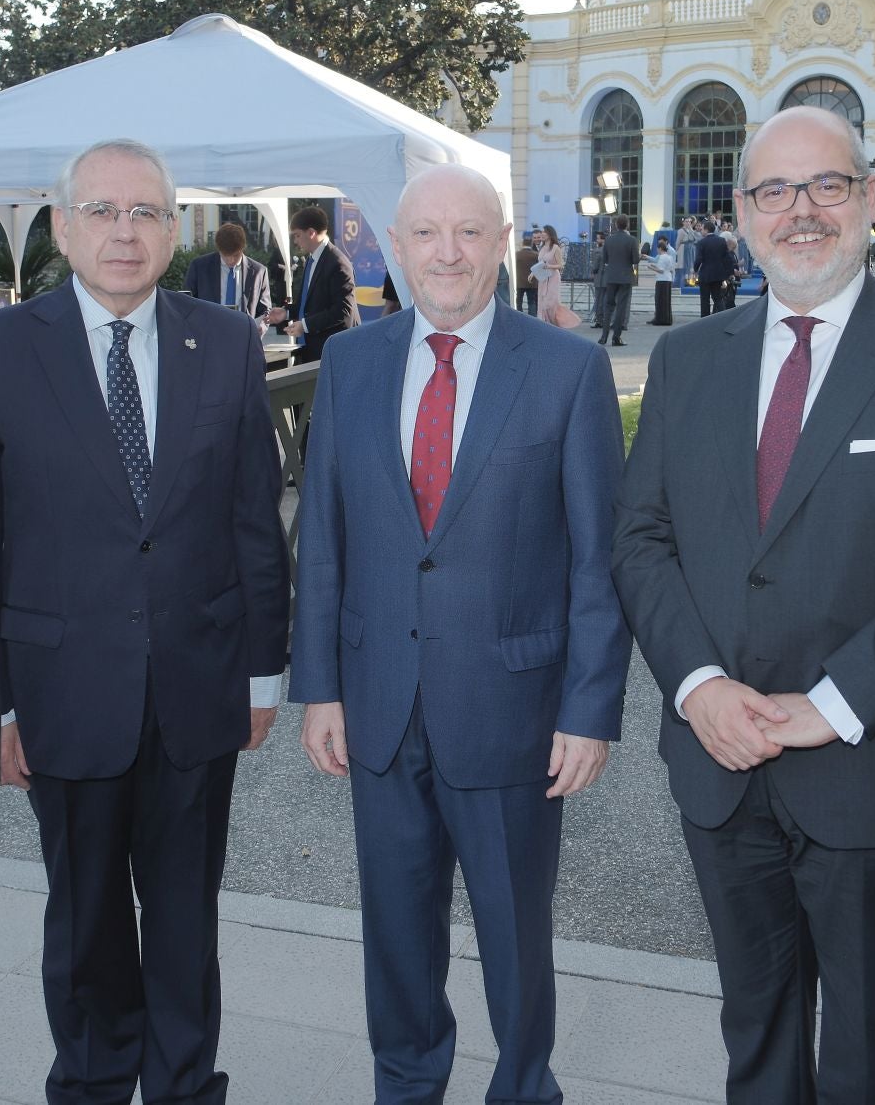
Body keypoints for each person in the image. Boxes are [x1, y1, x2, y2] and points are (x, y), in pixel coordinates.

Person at [611, 105, 875, 1105]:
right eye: (774, 191)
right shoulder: (686, 361)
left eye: (827, 185)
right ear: (742, 213)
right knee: (757, 1033)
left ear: (870, 197)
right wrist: (699, 687)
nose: (801, 211)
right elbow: (642, 540)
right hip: (720, 765)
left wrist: (834, 704)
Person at [0, 139, 291, 1105]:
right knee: (87, 921)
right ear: (62, 228)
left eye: (145, 212)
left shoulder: (223, 341)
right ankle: (94, 1083)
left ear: (174, 229)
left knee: (186, 918)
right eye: (101, 211)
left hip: (198, 685)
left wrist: (263, 673)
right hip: (62, 692)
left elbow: (254, 518)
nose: (123, 231)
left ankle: (185, 1085)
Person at [292, 164, 630, 1104]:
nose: (448, 253)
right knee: (397, 937)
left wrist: (589, 710)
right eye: (427, 234)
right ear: (396, 249)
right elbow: (323, 536)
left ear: (504, 245)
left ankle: (524, 1088)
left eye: (470, 232)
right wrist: (319, 687)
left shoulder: (567, 369)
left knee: (516, 938)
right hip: (379, 706)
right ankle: (406, 1087)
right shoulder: (351, 362)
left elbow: (598, 560)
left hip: (513, 711)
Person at [286, 204, 361, 363]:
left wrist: (305, 325)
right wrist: (285, 313)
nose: (295, 241)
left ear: (311, 233)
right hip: (313, 349)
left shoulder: (338, 262)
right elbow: (308, 305)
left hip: (335, 352)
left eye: (297, 235)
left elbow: (343, 311)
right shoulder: (311, 260)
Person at [184, 220, 274, 330]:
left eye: (235, 255)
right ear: (219, 249)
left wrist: (261, 327)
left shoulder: (259, 272)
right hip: (207, 333)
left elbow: (265, 310)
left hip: (244, 334)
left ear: (243, 248)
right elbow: (187, 303)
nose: (231, 260)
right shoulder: (199, 267)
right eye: (225, 255)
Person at [597, 214, 641, 347]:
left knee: (608, 306)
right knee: (621, 307)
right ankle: (616, 337)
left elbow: (605, 259)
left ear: (616, 225)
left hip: (611, 276)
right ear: (627, 225)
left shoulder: (609, 240)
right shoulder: (632, 240)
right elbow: (635, 260)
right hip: (625, 277)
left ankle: (604, 336)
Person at [534, 225, 579, 329]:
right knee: (542, 302)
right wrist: (533, 273)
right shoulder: (542, 248)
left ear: (550, 234)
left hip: (553, 278)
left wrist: (549, 266)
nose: (542, 234)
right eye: (542, 232)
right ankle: (544, 324)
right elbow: (540, 264)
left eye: (544, 232)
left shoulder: (555, 248)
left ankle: (556, 324)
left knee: (551, 303)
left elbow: (560, 265)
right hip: (543, 278)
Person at [692, 217, 734, 317]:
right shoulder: (721, 241)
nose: (701, 230)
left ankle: (705, 319)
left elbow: (699, 259)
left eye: (702, 228)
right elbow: (727, 258)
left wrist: (695, 270)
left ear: (706, 230)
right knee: (718, 298)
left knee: (705, 299)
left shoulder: (701, 243)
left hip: (705, 275)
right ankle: (723, 317)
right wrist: (729, 273)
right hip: (718, 274)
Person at [514, 231, 540, 315]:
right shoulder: (536, 255)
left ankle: (518, 317)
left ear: (522, 243)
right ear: (531, 243)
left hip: (519, 283)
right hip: (532, 283)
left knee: (518, 302)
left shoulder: (517, 254)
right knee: (532, 302)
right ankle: (532, 319)